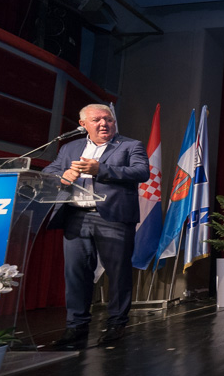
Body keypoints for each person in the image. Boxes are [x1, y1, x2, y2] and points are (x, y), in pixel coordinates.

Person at [43, 104, 149, 347]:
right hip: (76, 216)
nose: (104, 124)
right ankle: (76, 327)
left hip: (113, 218)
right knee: (76, 274)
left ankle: (116, 324)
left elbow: (141, 172)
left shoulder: (130, 145)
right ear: (83, 125)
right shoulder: (70, 147)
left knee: (118, 273)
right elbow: (50, 171)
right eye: (97, 120)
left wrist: (100, 169)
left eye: (108, 119)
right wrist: (62, 176)